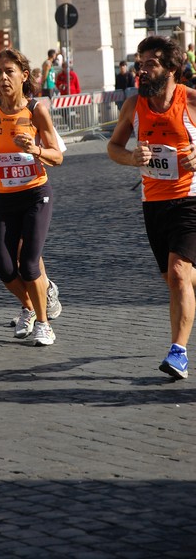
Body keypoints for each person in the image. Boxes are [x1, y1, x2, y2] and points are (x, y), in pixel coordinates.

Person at [107, 35, 196, 380]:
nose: (142, 70)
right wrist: (131, 157)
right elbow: (113, 147)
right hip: (153, 201)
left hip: (189, 198)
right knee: (175, 279)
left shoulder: (190, 100)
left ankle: (178, 353)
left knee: (177, 274)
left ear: (171, 67)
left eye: (151, 63)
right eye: (140, 64)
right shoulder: (134, 105)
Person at [0, 65, 63, 328]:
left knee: (27, 256)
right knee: (6, 264)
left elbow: (57, 151)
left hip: (31, 192)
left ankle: (40, 304)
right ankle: (31, 304)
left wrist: (35, 150)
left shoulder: (32, 110)